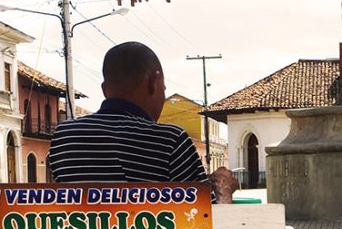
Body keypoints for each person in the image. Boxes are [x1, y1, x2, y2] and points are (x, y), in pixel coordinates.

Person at [48, 41, 230, 197]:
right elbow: (204, 221)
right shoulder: (170, 141)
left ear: (105, 89)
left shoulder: (63, 137)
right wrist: (223, 192)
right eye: (164, 88)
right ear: (152, 82)